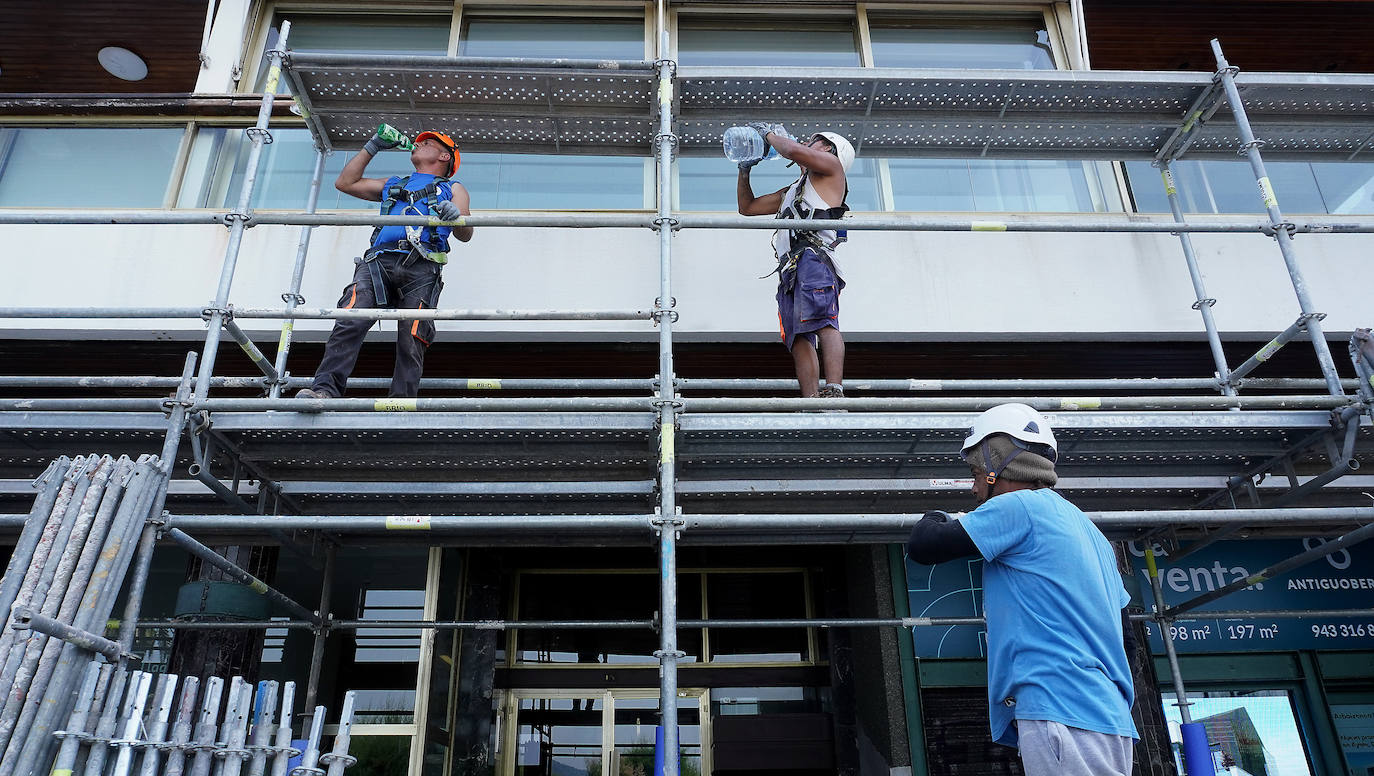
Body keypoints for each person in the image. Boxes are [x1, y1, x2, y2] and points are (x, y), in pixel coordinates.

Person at [905, 403, 1138, 775]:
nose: (973, 484)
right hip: (1106, 716)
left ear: (998, 462)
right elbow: (1127, 641)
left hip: (1061, 705)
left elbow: (925, 543)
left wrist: (945, 516)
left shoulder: (1020, 507)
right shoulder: (1091, 532)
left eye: (975, 470)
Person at [296, 127, 473, 400]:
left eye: (427, 143)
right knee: (350, 320)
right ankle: (324, 392)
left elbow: (466, 233)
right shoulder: (394, 184)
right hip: (379, 262)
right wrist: (373, 146)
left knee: (411, 336)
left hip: (422, 266)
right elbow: (345, 183)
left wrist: (455, 216)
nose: (418, 143)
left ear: (444, 156)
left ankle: (400, 404)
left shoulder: (453, 188)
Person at [736, 123, 853, 399]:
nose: (806, 144)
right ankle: (812, 400)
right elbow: (748, 207)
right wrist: (744, 169)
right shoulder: (794, 190)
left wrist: (768, 135)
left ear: (827, 147)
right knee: (798, 335)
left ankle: (834, 390)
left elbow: (791, 150)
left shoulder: (832, 167)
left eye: (813, 141)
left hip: (814, 259)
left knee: (824, 321)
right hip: (791, 269)